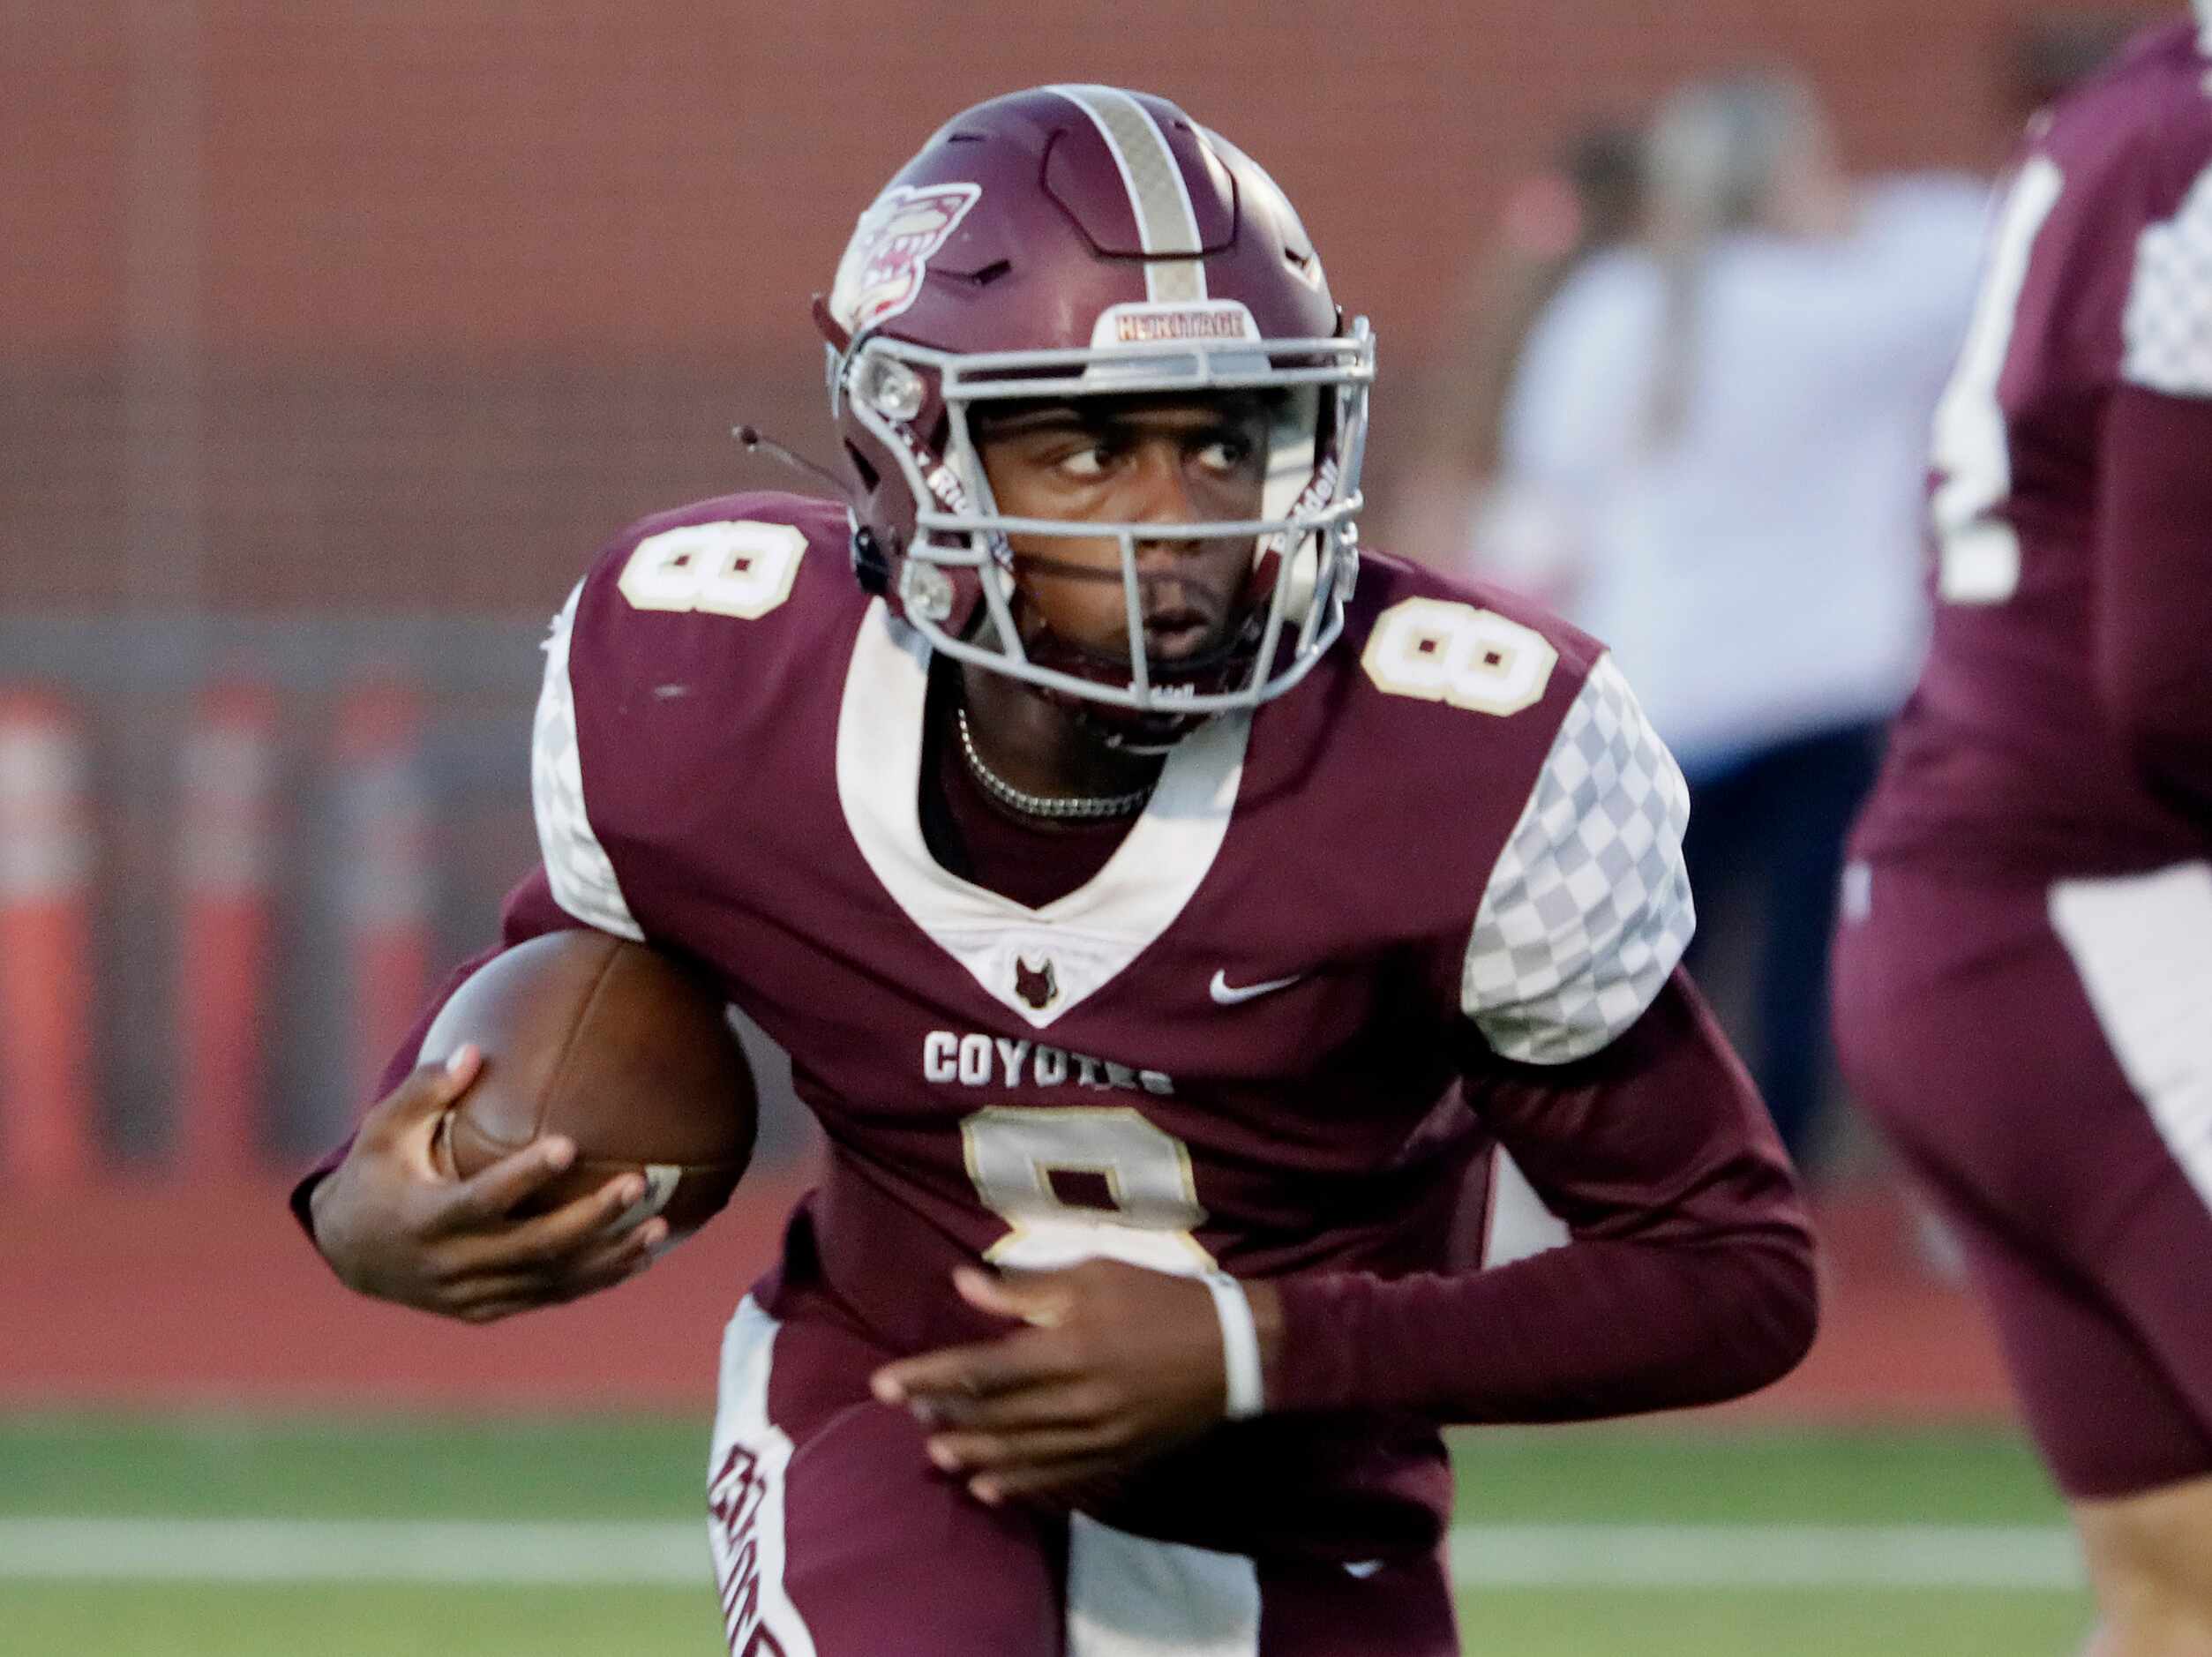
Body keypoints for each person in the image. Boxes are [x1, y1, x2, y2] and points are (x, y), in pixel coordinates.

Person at [297, 86, 1816, 1656]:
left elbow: (1728, 1268)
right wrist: (368, 1198)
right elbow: (579, 972)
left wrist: (1254, 1343)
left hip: (1307, 1495)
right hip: (895, 1418)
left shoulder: (1454, 755)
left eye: (1228, 440)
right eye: (1092, 447)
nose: (1184, 525)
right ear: (911, 449)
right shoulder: (710, 677)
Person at [1833, 12, 2212, 1653]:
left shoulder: (2138, 109)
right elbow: (2177, 679)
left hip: (1972, 925)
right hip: (2107, 925)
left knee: (2177, 1593)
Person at [1493, 71, 1988, 1166]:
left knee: (1646, 960)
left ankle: (1625, 1171)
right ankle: (1778, 1179)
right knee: (1802, 967)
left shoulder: (1618, 305)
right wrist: (1843, 219)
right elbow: (1983, 233)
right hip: (1835, 685)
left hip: (1667, 691)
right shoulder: (1855, 303)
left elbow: (1543, 497)